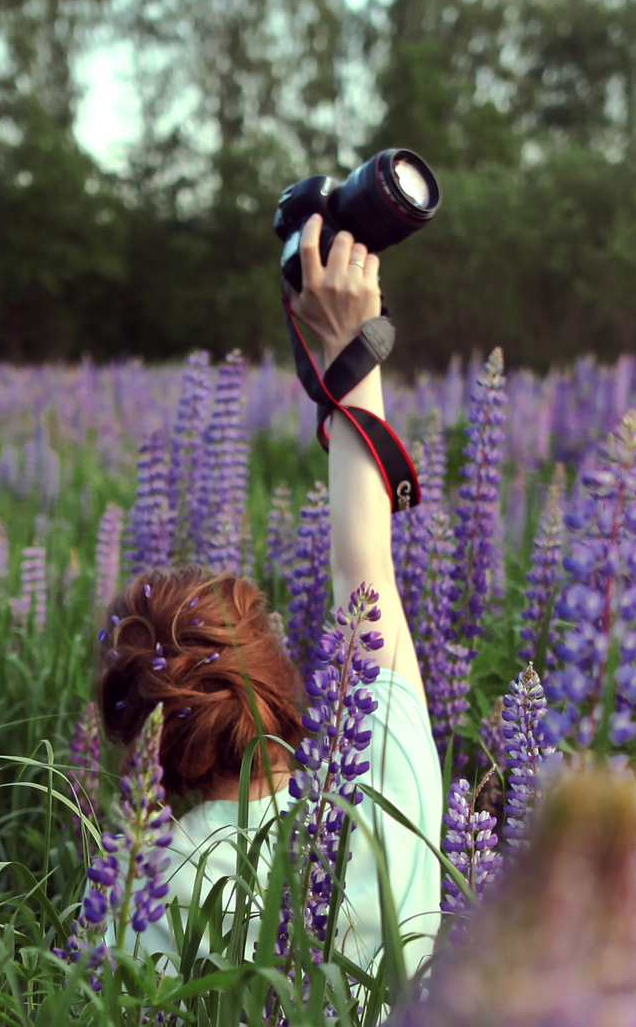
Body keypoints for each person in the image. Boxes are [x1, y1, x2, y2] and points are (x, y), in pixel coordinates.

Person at [95, 215, 442, 977]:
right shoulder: (386, 792)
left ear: (148, 745)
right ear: (278, 672)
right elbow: (366, 568)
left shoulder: (142, 886)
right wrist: (352, 345)